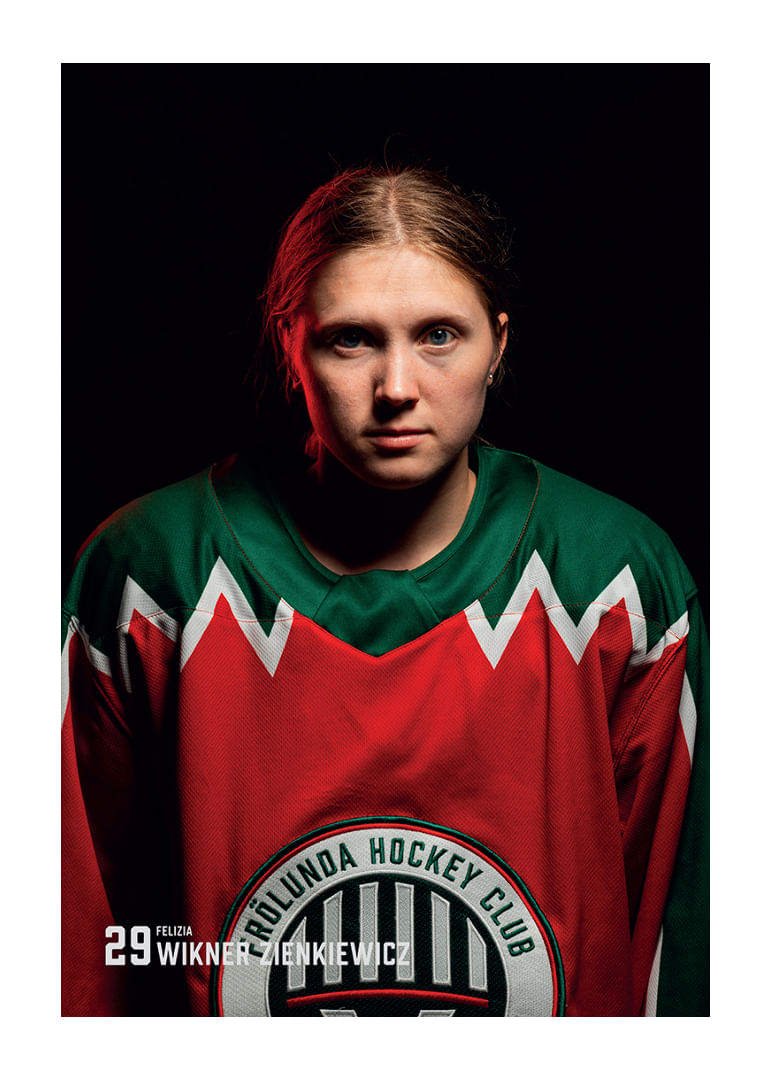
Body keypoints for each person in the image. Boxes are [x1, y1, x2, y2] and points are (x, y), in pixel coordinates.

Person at [61, 166, 708, 1017]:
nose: (397, 387)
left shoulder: (613, 579)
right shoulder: (153, 573)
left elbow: (679, 945)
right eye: (351, 339)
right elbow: (81, 937)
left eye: (439, 335)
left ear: (497, 344)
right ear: (289, 345)